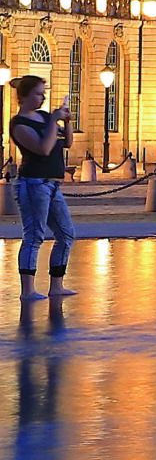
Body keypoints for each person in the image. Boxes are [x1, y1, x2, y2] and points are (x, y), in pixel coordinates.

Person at [11, 74, 73, 300]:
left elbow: (66, 143)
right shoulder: (19, 124)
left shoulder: (44, 117)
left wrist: (66, 121)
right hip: (33, 184)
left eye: (43, 92)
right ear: (25, 96)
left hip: (53, 184)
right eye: (38, 93)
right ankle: (27, 290)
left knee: (66, 235)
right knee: (34, 236)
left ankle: (56, 285)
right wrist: (53, 121)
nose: (43, 97)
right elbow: (43, 148)